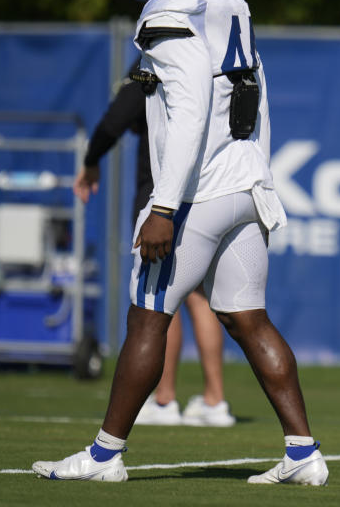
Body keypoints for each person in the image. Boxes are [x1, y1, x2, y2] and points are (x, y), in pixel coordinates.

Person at [32, 0, 327, 483]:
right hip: (244, 181)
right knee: (248, 319)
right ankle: (302, 453)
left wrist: (164, 206)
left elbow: (191, 106)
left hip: (198, 192)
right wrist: (255, 165)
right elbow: (252, 87)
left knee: (146, 319)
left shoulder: (164, 10)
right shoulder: (231, 2)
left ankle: (103, 456)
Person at [75, 73, 235, 427]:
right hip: (209, 191)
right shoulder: (213, 62)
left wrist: (91, 159)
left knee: (161, 293)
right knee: (198, 297)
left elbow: (115, 120)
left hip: (162, 197)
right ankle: (214, 399)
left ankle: (164, 399)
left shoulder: (158, 60)